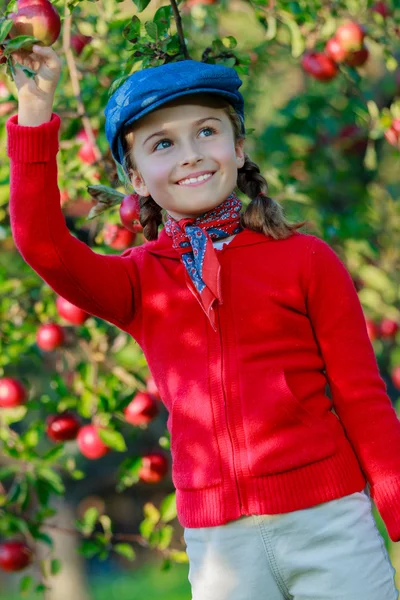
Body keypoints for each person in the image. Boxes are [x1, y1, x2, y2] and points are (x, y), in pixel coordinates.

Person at [6, 44, 400, 600]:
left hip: (329, 521)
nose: (191, 154)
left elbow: (362, 394)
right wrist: (34, 108)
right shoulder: (141, 282)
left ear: (238, 149)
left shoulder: (306, 259)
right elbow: (42, 244)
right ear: (137, 178)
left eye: (207, 132)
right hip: (220, 544)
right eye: (163, 144)